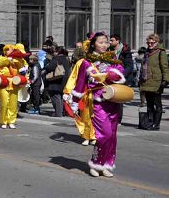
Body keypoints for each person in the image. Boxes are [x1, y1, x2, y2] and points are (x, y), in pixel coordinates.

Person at [66, 32, 126, 177]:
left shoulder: (112, 58)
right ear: (93, 44)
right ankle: (96, 162)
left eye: (106, 42)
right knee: (103, 134)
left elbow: (121, 72)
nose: (104, 45)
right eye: (101, 42)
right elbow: (80, 82)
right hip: (97, 101)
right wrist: (74, 102)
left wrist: (112, 74)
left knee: (112, 135)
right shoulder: (86, 62)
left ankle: (107, 164)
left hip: (112, 100)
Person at [139, 34, 169, 131]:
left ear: (156, 42)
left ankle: (156, 125)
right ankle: (150, 122)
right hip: (147, 82)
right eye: (148, 43)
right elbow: (143, 68)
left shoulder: (161, 52)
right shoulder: (147, 52)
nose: (150, 44)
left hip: (156, 82)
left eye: (152, 43)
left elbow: (165, 67)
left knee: (157, 104)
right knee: (149, 104)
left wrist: (165, 80)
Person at [0, 43, 29, 129]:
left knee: (13, 103)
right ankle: (3, 121)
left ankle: (11, 121)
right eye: (6, 50)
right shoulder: (1, 59)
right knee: (4, 103)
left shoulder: (20, 60)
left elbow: (24, 71)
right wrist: (7, 61)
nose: (8, 51)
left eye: (10, 49)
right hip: (3, 84)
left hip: (14, 83)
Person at [43, 46, 71, 117]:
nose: (53, 53)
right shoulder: (66, 58)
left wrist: (47, 65)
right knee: (60, 96)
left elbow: (50, 67)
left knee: (55, 96)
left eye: (55, 52)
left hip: (56, 79)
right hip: (64, 79)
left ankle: (58, 113)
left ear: (58, 52)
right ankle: (61, 112)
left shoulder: (56, 58)